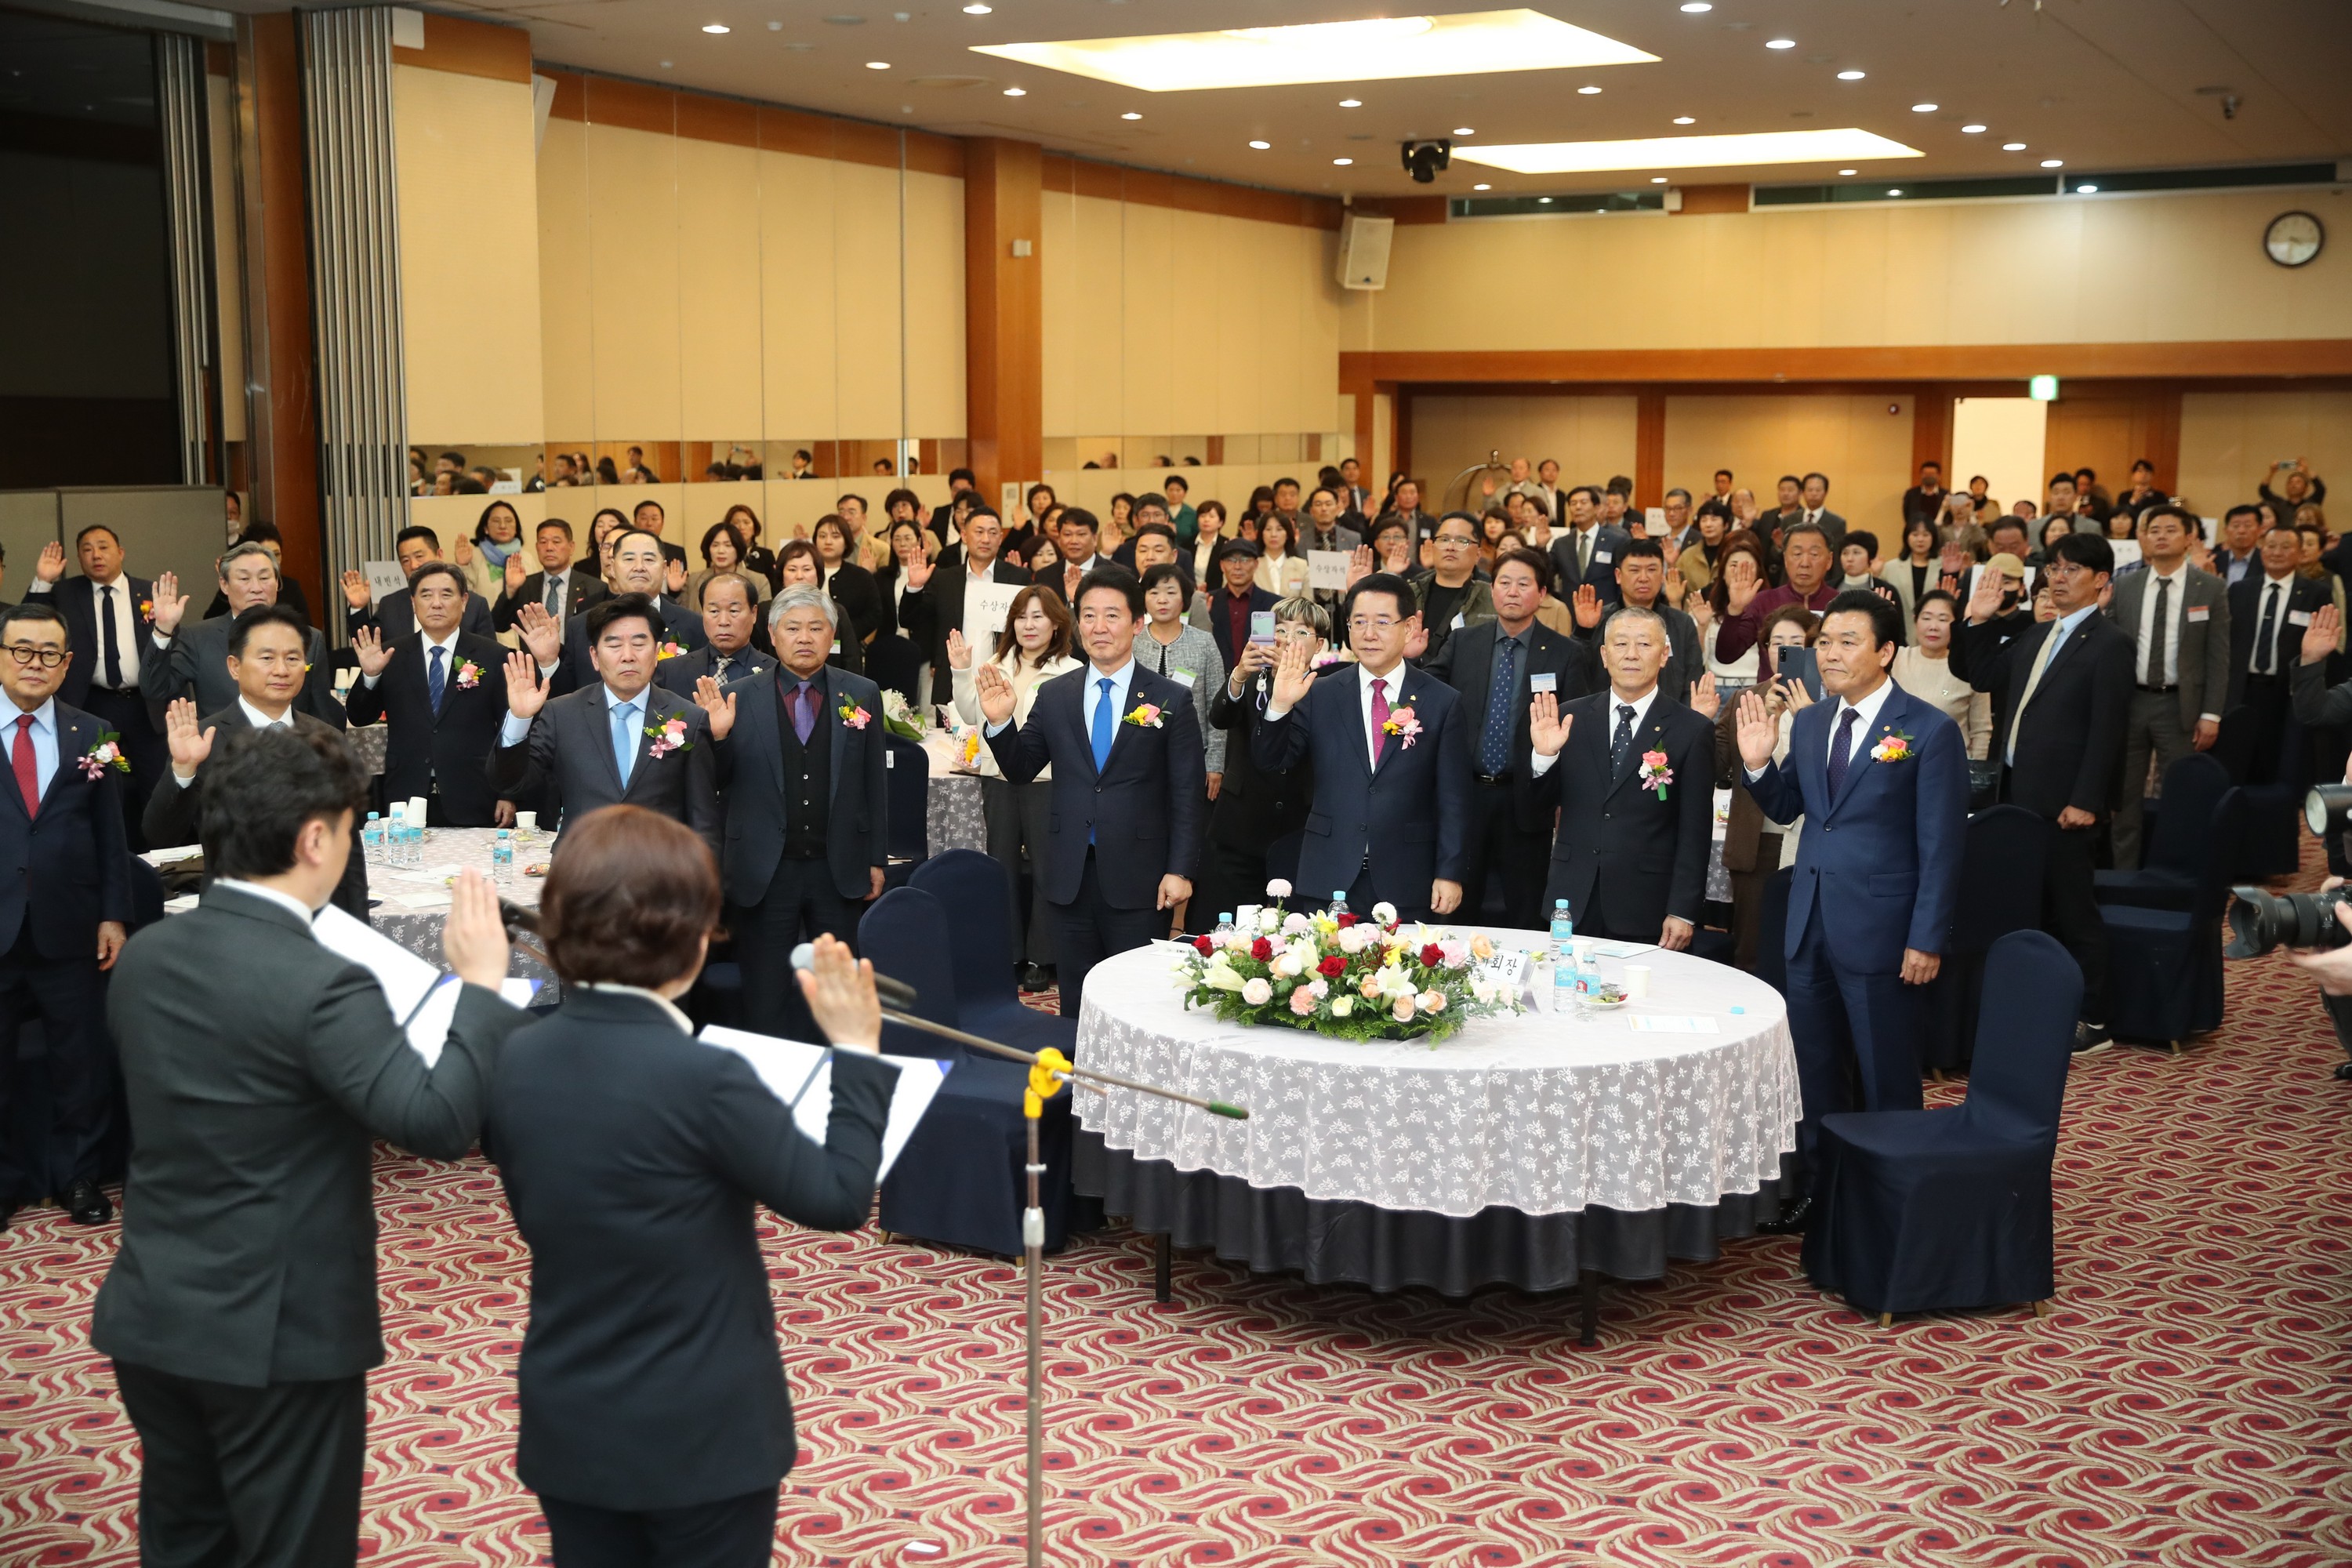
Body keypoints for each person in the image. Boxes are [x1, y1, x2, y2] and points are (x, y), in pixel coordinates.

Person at [98, 725, 524, 1568]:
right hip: (275, 1331)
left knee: (184, 1542)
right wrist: (479, 988)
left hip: (151, 1311)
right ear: (316, 838)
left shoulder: (146, 956)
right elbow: (435, 1121)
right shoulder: (324, 979)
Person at [480, 811, 891, 1568]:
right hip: (704, 1433)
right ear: (696, 940)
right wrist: (858, 1053)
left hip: (570, 1420)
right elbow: (836, 1198)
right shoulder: (704, 1077)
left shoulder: (513, 1062)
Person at [1734, 589, 1967, 1232]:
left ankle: (1896, 1199)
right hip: (1811, 922)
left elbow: (1942, 846)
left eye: (1847, 642)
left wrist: (1926, 937)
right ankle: (1822, 1190)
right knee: (1814, 1069)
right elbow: (1790, 809)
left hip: (1886, 932)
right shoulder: (1811, 722)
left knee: (1886, 1070)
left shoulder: (1928, 730)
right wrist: (1757, 766)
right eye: (1824, 642)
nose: (1830, 655)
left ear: (1887, 651)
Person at [975, 567, 1206, 1017]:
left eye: (1112, 616)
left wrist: (1181, 870)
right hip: (1068, 874)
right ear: (1077, 624)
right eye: (1089, 616)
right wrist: (1002, 722)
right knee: (1077, 1005)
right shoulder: (1056, 695)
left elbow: (1187, 795)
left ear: (1137, 623)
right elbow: (1021, 770)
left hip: (1141, 878)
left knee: (1138, 1004)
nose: (1099, 628)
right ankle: (1079, 1085)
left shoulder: (1170, 698)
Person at [1962, 533, 2136, 1049]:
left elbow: (2108, 731)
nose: (2058, 578)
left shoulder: (2111, 644)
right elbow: (1980, 673)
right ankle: (2034, 1007)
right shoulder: (2038, 635)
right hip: (2016, 796)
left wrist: (2086, 799)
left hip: (2066, 805)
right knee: (2024, 907)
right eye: (2054, 569)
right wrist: (1977, 620)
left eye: (2072, 570)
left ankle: (2095, 1019)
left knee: (2073, 911)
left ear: (2101, 580)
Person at [697, 590, 888, 1040]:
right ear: (772, 635)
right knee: (765, 996)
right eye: (793, 628)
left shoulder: (860, 693)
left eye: (816, 628)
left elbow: (874, 783)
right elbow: (714, 783)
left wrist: (876, 855)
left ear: (833, 635)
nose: (805, 638)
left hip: (837, 865)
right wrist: (719, 738)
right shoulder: (737, 696)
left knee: (838, 995)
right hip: (765, 870)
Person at [0, 600, 132, 1229]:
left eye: (48, 653)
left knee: (78, 1061)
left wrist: (114, 913)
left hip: (73, 924)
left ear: (67, 663)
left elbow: (113, 834)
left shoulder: (96, 734)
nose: (35, 663)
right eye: (21, 650)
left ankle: (78, 1177)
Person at [1254, 573, 1469, 923]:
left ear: (1410, 626)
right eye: (1359, 622)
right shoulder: (1320, 692)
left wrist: (1450, 871)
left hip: (1408, 876)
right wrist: (1279, 706)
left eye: (1382, 622)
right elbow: (1271, 761)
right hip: (1329, 873)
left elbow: (1455, 797)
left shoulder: (1442, 702)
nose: (1369, 634)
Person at [147, 604, 372, 918]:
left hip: (319, 920)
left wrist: (356, 933)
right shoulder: (203, 739)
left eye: (293, 658)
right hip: (235, 920)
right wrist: (183, 770)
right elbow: (160, 834)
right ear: (234, 666)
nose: (281, 670)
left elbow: (349, 852)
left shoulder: (327, 738)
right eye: (267, 658)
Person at [1424, 548, 1598, 928]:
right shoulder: (1463, 642)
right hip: (1466, 797)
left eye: (1523, 584)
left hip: (1527, 800)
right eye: (1503, 582)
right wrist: (1409, 661)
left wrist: (1561, 797)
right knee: (1457, 910)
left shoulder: (1566, 653)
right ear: (1492, 589)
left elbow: (1576, 728)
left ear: (1542, 593)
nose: (1512, 592)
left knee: (1526, 912)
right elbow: (1426, 696)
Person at [1525, 605, 1713, 947]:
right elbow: (1534, 812)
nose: (1631, 654)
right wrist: (1544, 757)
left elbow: (1696, 830)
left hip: (1646, 902)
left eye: (1644, 644)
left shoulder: (1691, 729)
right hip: (1571, 898)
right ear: (1604, 655)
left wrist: (1683, 910)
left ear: (1664, 654)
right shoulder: (1568, 718)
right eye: (1620, 644)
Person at [495, 594, 722, 860]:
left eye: (639, 643)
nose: (628, 656)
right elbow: (512, 784)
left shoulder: (689, 719)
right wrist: (519, 719)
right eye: (614, 645)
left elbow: (704, 821)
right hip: (580, 873)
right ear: (594, 656)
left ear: (656, 652)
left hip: (662, 878)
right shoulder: (562, 714)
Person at [950, 588, 1082, 990]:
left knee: (1046, 870)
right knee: (1001, 867)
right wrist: (960, 671)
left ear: (1057, 623)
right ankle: (1007, 952)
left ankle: (1041, 956)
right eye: (1022, 617)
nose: (1029, 625)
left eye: (1039, 617)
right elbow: (973, 715)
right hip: (999, 779)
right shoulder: (994, 663)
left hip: (1049, 782)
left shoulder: (1072, 669)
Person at [2101, 504, 2230, 869]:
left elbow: (2219, 658)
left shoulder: (2211, 588)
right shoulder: (2124, 586)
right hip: (2131, 702)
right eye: (2153, 529)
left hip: (2181, 705)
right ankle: (2123, 874)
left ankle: (2173, 873)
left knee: (2181, 795)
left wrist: (2211, 714)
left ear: (2190, 538)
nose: (2160, 535)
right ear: (2141, 539)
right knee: (2124, 798)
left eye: (2170, 529)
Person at [1197, 596, 1336, 928]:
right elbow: (1219, 717)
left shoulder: (1328, 689)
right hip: (1239, 824)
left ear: (1318, 645)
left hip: (1296, 826)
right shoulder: (1252, 679)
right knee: (1230, 929)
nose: (1287, 638)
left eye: (1301, 632)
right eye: (1281, 629)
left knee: (1288, 931)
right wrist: (1238, 676)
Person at [342, 563, 512, 827]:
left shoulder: (492, 655)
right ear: (413, 602)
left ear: (464, 601)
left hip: (474, 793)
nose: (436, 604)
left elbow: (509, 728)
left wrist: (507, 792)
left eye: (446, 594)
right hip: (406, 793)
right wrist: (371, 676)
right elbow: (360, 716)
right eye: (426, 595)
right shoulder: (389, 655)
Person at [24, 524, 165, 840]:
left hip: (146, 705)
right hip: (94, 704)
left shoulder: (149, 592)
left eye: (103, 546)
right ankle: (108, 852)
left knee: (156, 786)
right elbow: (27, 620)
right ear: (78, 558)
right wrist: (43, 581)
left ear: (121, 552)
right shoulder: (66, 593)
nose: (96, 555)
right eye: (87, 549)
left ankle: (163, 863)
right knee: (99, 783)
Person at [1714, 607, 1820, 970]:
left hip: (1810, 841)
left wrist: (1807, 715)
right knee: (1751, 949)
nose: (1784, 650)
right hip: (1755, 840)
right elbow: (1717, 764)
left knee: (1801, 950)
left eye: (1796, 643)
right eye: (1777, 643)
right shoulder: (1748, 698)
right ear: (1765, 649)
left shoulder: (1830, 703)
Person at [525, 529, 706, 699]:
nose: (639, 567)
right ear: (612, 567)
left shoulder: (694, 625)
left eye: (649, 560)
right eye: (628, 559)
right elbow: (566, 696)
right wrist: (549, 661)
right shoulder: (581, 625)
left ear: (665, 568)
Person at [2230, 520, 2331, 786]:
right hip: (2243, 689)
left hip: (2287, 691)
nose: (2276, 552)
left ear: (2299, 553)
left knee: (2281, 761)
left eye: (2286, 547)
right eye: (2271, 546)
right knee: (2239, 760)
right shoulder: (2240, 590)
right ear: (2261, 551)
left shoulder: (2316, 593)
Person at [1569, 537, 1702, 702]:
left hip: (1671, 721)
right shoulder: (1599, 619)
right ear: (1618, 575)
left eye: (1652, 570)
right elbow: (1576, 674)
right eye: (1634, 570)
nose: (1643, 578)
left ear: (1662, 575)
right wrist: (1584, 631)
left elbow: (1693, 681)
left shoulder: (1681, 623)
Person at [1135, 562, 1228, 794]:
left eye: (1171, 592)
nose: (1162, 600)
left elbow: (1217, 707)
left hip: (1192, 756)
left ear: (1185, 599)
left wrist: (1215, 763)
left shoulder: (1204, 642)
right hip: (1137, 757)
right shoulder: (1131, 642)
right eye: (1154, 593)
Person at [924, 508, 1029, 706]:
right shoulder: (944, 578)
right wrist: (914, 588)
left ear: (1000, 538)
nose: (986, 539)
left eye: (993, 532)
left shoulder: (1017, 578)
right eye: (979, 532)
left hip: (1004, 682)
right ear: (964, 535)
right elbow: (915, 619)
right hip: (953, 681)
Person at [343, 524, 496, 645]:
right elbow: (368, 647)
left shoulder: (475, 604)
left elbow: (488, 656)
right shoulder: (390, 604)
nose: (414, 565)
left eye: (419, 556)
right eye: (405, 561)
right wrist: (358, 608)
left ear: (440, 555)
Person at [1890, 590, 1994, 763]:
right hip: (1896, 764)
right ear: (1915, 621)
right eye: (1926, 618)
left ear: (1956, 625)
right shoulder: (1896, 659)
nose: (1933, 626)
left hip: (1950, 764)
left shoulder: (1968, 669)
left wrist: (1975, 770)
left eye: (1943, 619)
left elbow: (1981, 731)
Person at [1714, 522, 1837, 666]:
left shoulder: (1839, 604)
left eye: (1814, 554)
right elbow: (1726, 655)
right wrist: (1735, 610)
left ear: (1829, 560)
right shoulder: (1764, 601)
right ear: (1785, 559)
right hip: (1773, 687)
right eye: (1797, 554)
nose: (1805, 563)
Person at [657, 570, 771, 699]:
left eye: (734, 611)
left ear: (754, 613)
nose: (723, 621)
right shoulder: (671, 671)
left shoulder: (773, 672)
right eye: (714, 611)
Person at [495, 517, 608, 633]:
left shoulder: (595, 587)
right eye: (543, 542)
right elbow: (499, 625)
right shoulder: (525, 586)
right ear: (537, 547)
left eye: (556, 542)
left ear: (571, 547)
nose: (549, 548)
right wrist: (510, 590)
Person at [1407, 512, 1495, 660]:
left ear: (1478, 555)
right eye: (1444, 539)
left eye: (1462, 541)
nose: (1451, 547)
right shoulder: (1408, 594)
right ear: (1433, 546)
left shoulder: (1492, 598)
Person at [199, 522, 315, 626]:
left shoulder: (291, 587)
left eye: (277, 554)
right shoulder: (230, 587)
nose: (272, 560)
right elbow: (212, 621)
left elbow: (305, 627)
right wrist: (229, 578)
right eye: (244, 578)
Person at [1193, 538, 1275, 674]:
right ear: (1222, 565)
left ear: (1256, 564)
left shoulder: (1273, 604)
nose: (1237, 567)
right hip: (1217, 680)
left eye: (1244, 560)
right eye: (1231, 560)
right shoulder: (1207, 601)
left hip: (1258, 683)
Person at [1549, 486, 1630, 608]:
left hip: (1605, 612)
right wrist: (1540, 544)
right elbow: (1545, 573)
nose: (1578, 507)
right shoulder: (1561, 544)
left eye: (1583, 502)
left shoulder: (1616, 541)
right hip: (1571, 613)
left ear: (1596, 508)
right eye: (1573, 503)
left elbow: (1624, 580)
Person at [811, 513, 883, 650]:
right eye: (822, 536)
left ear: (846, 542)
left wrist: (846, 634)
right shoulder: (805, 573)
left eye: (836, 536)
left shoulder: (861, 576)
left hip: (847, 650)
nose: (828, 541)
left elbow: (874, 614)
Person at [687, 521, 766, 611]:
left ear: (738, 548)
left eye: (728, 545)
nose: (721, 551)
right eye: (715, 545)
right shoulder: (693, 579)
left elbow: (763, 618)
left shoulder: (759, 581)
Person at [1255, 513, 1310, 601]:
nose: (1273, 534)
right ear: (1261, 534)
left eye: (1279, 529)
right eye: (1268, 529)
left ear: (1287, 534)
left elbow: (1308, 605)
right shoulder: (1252, 565)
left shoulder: (1301, 566)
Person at [1901, 461, 1947, 529]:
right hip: (1916, 530)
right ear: (1921, 475)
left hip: (1940, 532)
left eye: (1932, 474)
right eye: (1925, 474)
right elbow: (1907, 514)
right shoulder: (1911, 494)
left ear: (1939, 476)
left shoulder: (1945, 494)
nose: (1928, 477)